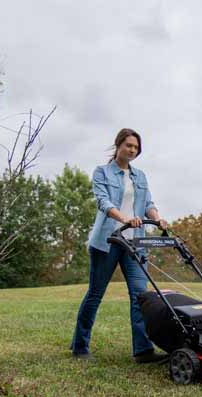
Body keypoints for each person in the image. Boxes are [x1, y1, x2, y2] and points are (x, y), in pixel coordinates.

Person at [70, 128, 169, 363]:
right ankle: (80, 346)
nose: (132, 150)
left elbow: (148, 203)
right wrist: (123, 219)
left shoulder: (140, 176)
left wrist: (157, 217)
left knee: (140, 296)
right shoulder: (102, 172)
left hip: (134, 243)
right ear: (118, 145)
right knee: (95, 293)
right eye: (129, 146)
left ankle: (143, 350)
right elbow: (103, 202)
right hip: (108, 242)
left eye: (136, 147)